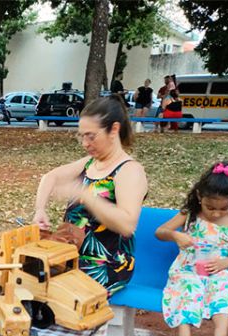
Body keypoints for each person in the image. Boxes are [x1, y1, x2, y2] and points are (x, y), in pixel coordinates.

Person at [33, 95, 147, 296]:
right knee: (23, 271)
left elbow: (127, 224)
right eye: (81, 136)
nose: (85, 143)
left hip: (106, 265)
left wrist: (84, 194)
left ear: (114, 130)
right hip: (71, 254)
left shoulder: (129, 171)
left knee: (43, 288)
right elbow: (50, 177)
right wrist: (40, 210)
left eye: (91, 136)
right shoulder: (90, 163)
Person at [155, 162, 228, 336]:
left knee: (223, 292)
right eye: (210, 207)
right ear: (200, 196)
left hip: (217, 270)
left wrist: (224, 264)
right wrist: (175, 235)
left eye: (223, 208)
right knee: (187, 291)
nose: (216, 213)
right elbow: (160, 232)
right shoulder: (189, 215)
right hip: (187, 269)